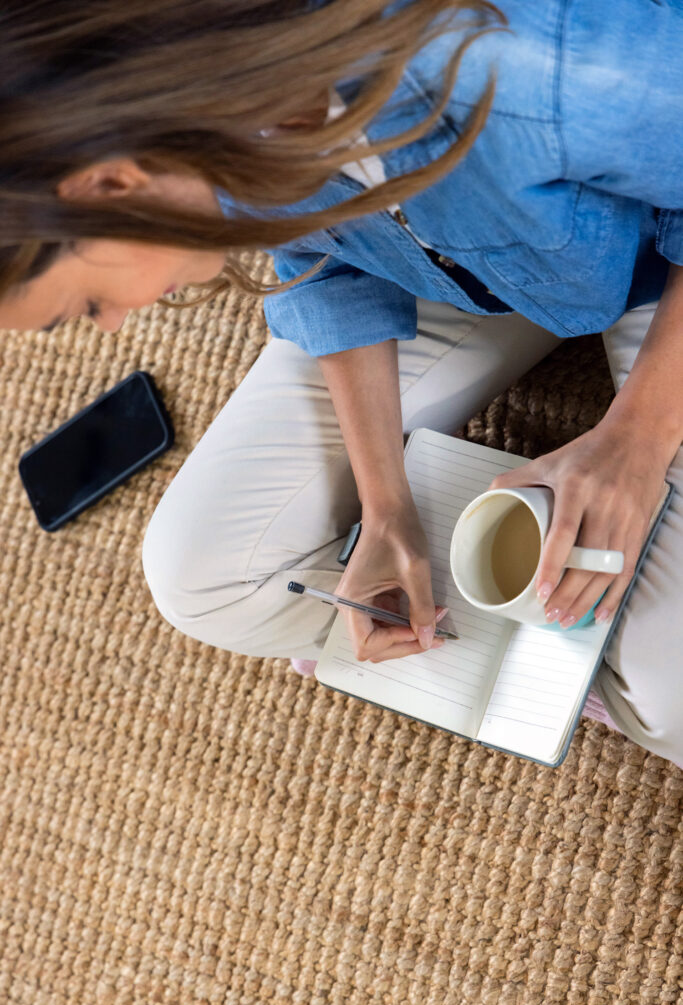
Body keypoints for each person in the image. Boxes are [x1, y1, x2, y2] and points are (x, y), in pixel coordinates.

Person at [1, 0, 681, 766]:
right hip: (451, 264)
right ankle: (582, 634)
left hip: (652, 250)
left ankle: (607, 647)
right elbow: (320, 263)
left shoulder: (501, 67)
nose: (114, 324)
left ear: (108, 187)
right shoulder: (201, 120)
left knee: (671, 700)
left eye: (86, 306)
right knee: (205, 580)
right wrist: (385, 503)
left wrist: (637, 437)